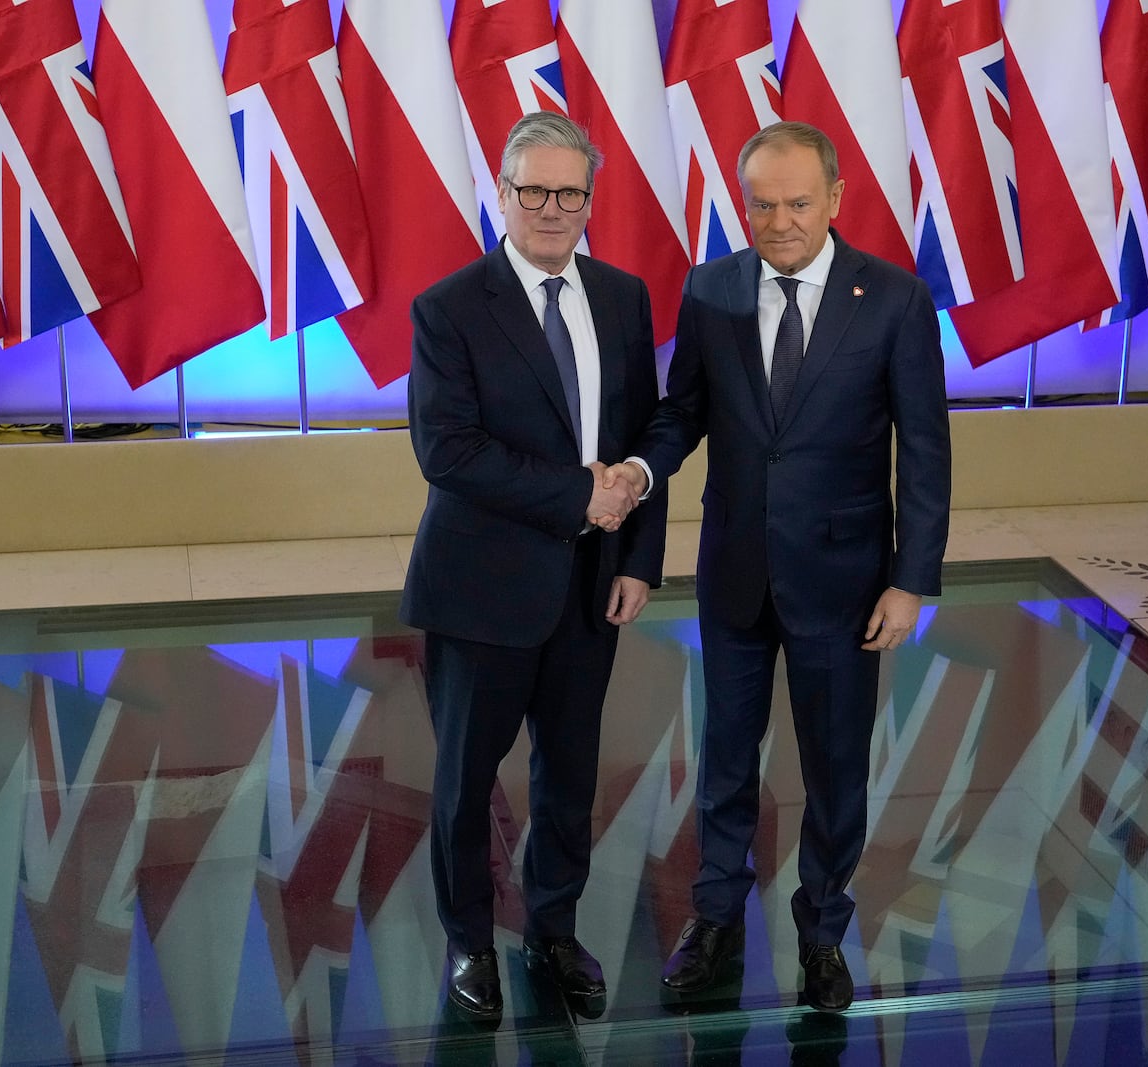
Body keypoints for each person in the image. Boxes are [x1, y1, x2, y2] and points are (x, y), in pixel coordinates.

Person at [605, 121, 951, 1013]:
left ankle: (823, 928)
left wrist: (911, 579)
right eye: (762, 203)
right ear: (742, 201)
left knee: (836, 767)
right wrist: (642, 467)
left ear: (836, 199)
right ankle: (715, 915)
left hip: (846, 583)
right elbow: (684, 411)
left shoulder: (896, 300)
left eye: (799, 203)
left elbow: (925, 450)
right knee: (723, 757)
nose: (780, 221)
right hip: (735, 574)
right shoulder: (712, 288)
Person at [400, 111, 667, 1022]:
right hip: (480, 591)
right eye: (534, 191)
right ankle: (470, 940)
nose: (553, 208)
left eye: (570, 193)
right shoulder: (448, 308)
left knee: (569, 772)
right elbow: (449, 451)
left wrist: (639, 557)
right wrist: (575, 498)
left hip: (593, 589)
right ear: (500, 194)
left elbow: (638, 444)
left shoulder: (625, 297)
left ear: (591, 200)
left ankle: (554, 926)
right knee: (466, 782)